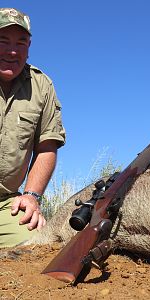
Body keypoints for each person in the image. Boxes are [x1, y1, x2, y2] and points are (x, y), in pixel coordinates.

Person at [0, 8, 66, 248]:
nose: (12, 50)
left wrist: (31, 196)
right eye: (3, 41)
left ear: (29, 47)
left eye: (21, 42)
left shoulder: (41, 85)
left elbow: (47, 146)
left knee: (40, 245)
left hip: (6, 203)